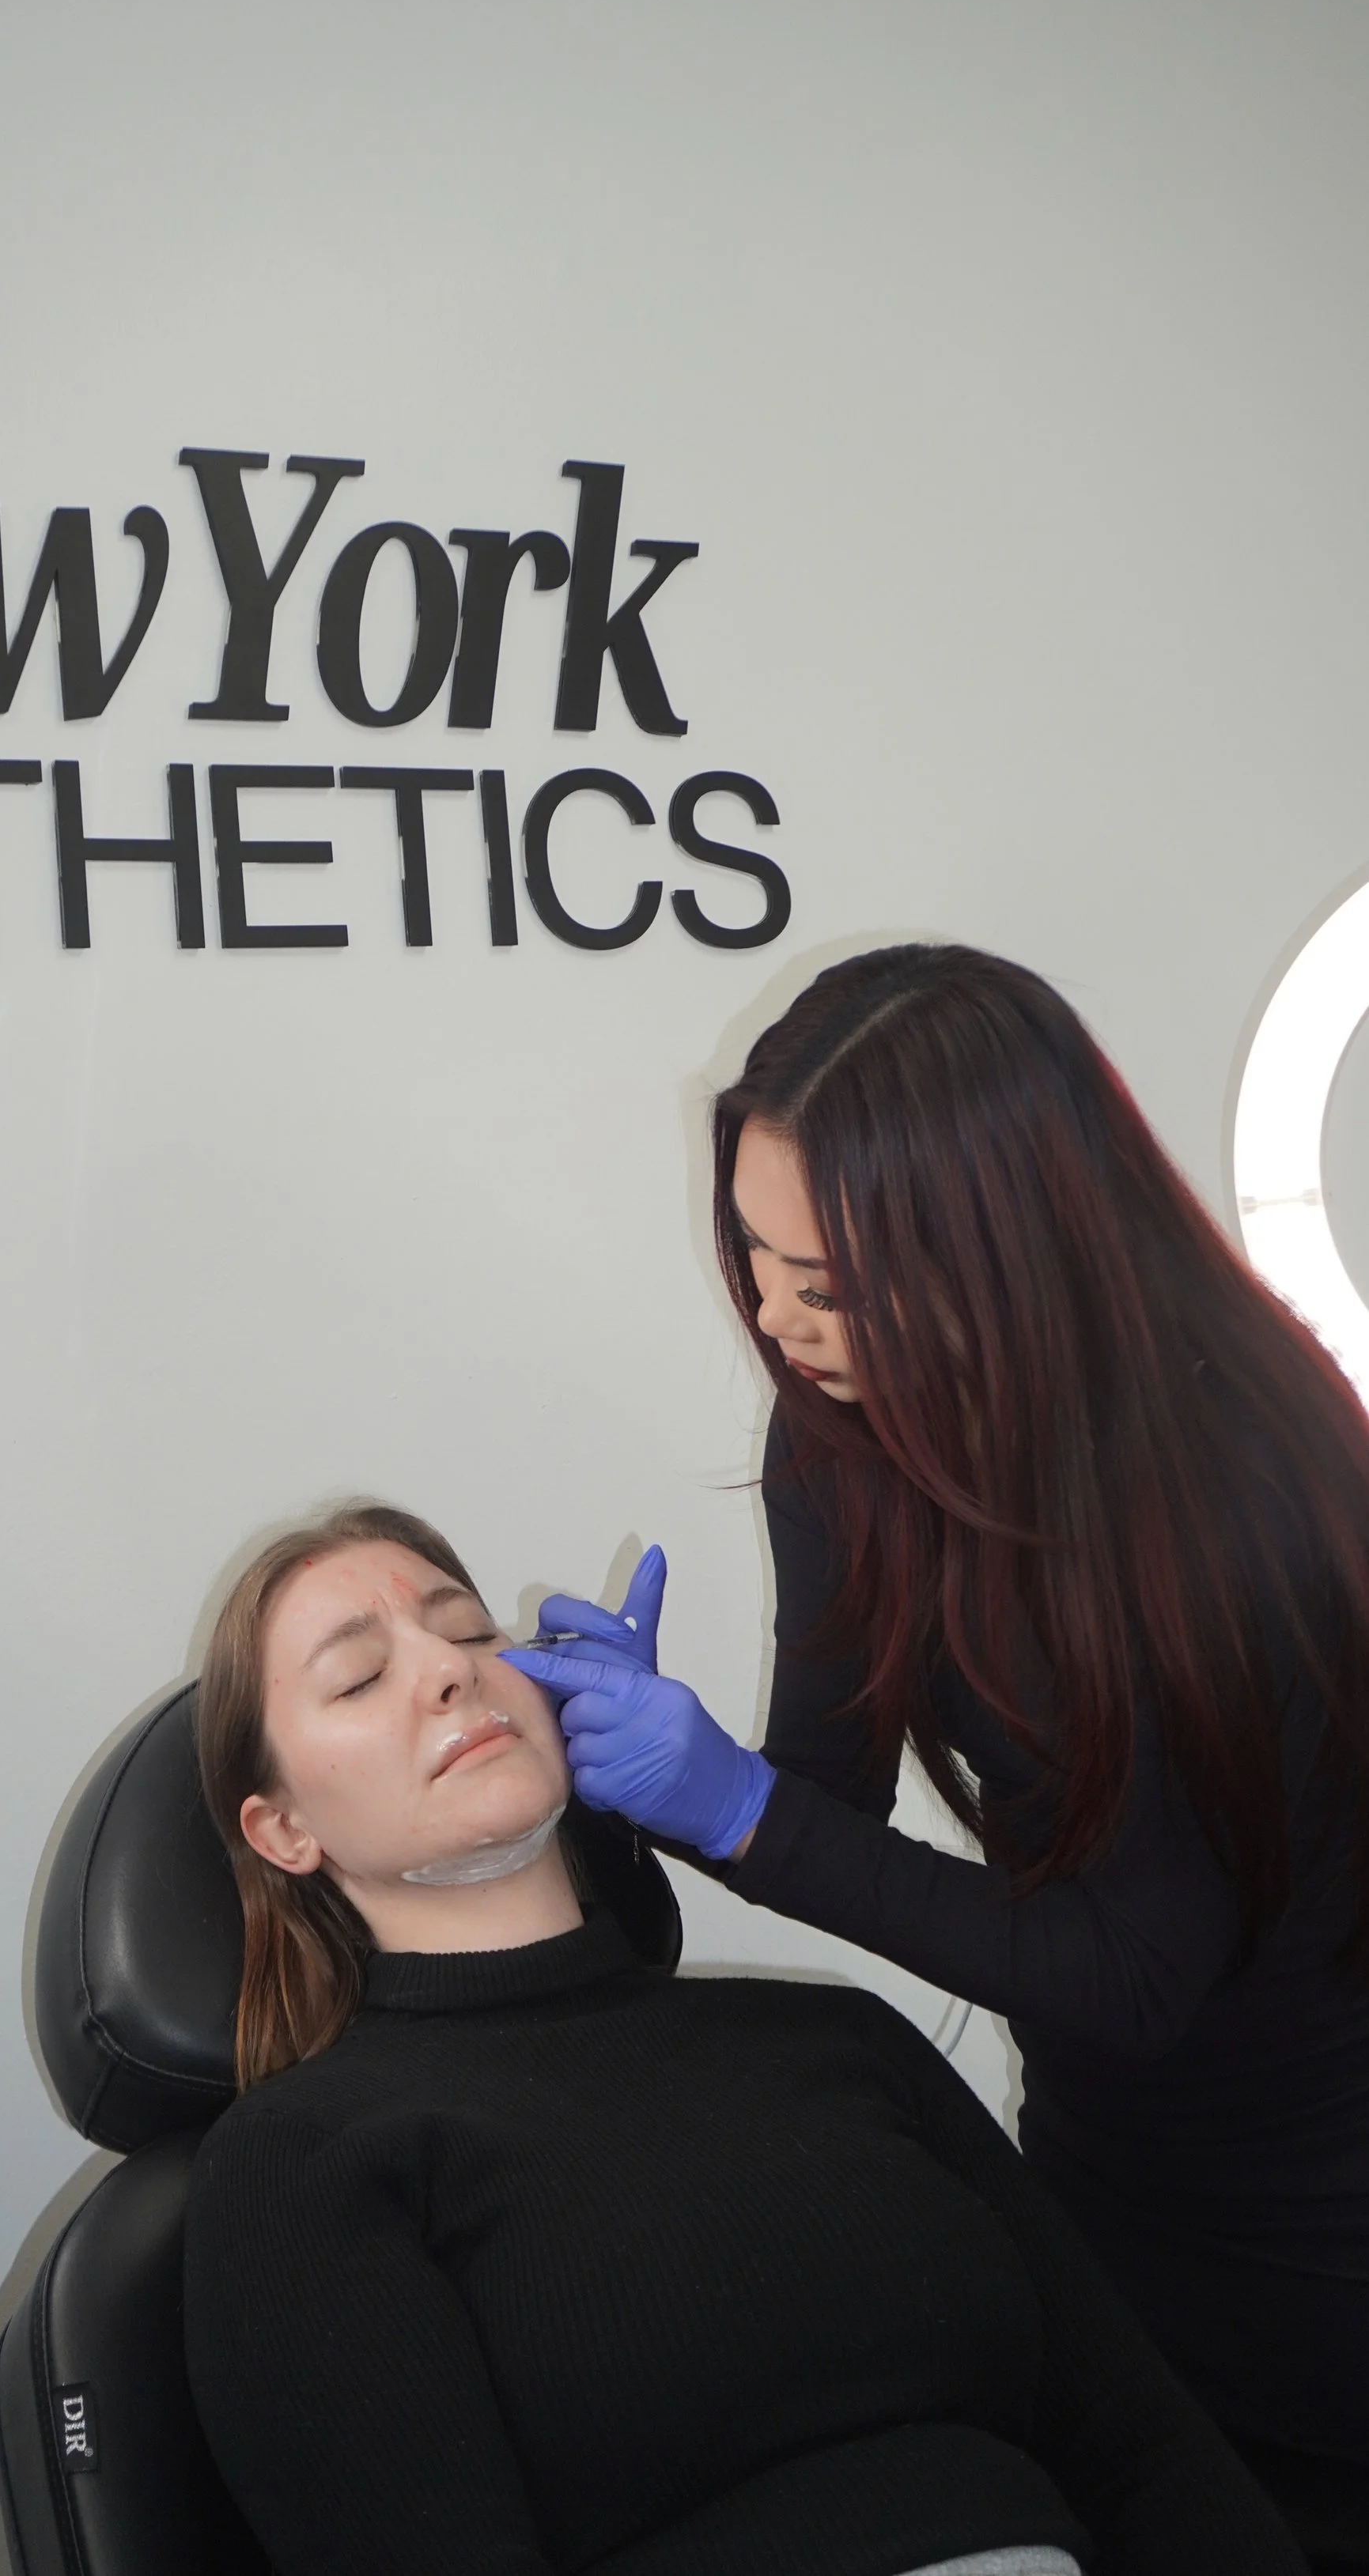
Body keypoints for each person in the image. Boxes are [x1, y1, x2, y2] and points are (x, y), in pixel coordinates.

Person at [507, 944, 1369, 2529]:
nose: (774, 1321)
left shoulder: (1225, 1487)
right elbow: (820, 1796)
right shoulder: (839, 1439)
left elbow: (1130, 1977)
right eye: (751, 1257)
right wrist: (648, 1788)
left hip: (1321, 2230)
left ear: (1004, 1252)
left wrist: (745, 1813)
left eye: (824, 1285)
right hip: (1109, 2183)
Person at [182, 1501, 1303, 2576]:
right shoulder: (304, 2159)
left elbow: (1152, 2458)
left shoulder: (837, 2038)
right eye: (361, 1675)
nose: (449, 1666)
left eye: (471, 1629)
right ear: (282, 1829)